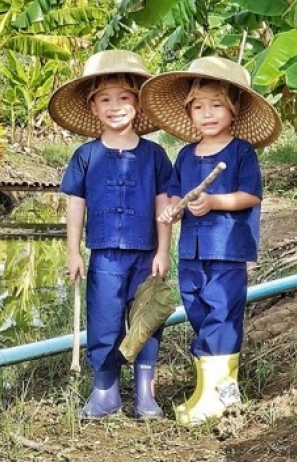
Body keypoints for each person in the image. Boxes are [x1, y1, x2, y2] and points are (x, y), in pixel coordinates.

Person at [140, 56, 282, 425]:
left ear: (233, 112)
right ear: (188, 113)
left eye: (216, 106)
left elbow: (250, 195)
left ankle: (222, 395)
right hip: (192, 252)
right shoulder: (186, 154)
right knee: (198, 311)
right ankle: (208, 390)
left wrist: (215, 202)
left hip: (227, 251)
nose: (207, 114)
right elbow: (174, 195)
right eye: (199, 107)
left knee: (222, 313)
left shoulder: (240, 152)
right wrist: (172, 210)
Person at [49, 50, 173, 420]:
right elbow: (75, 207)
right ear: (93, 108)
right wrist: (73, 253)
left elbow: (163, 208)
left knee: (146, 320)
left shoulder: (154, 155)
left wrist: (164, 251)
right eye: (105, 99)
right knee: (103, 322)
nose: (115, 106)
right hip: (103, 257)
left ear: (137, 104)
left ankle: (145, 395)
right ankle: (105, 393)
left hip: (145, 254)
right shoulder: (85, 156)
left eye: (123, 98)